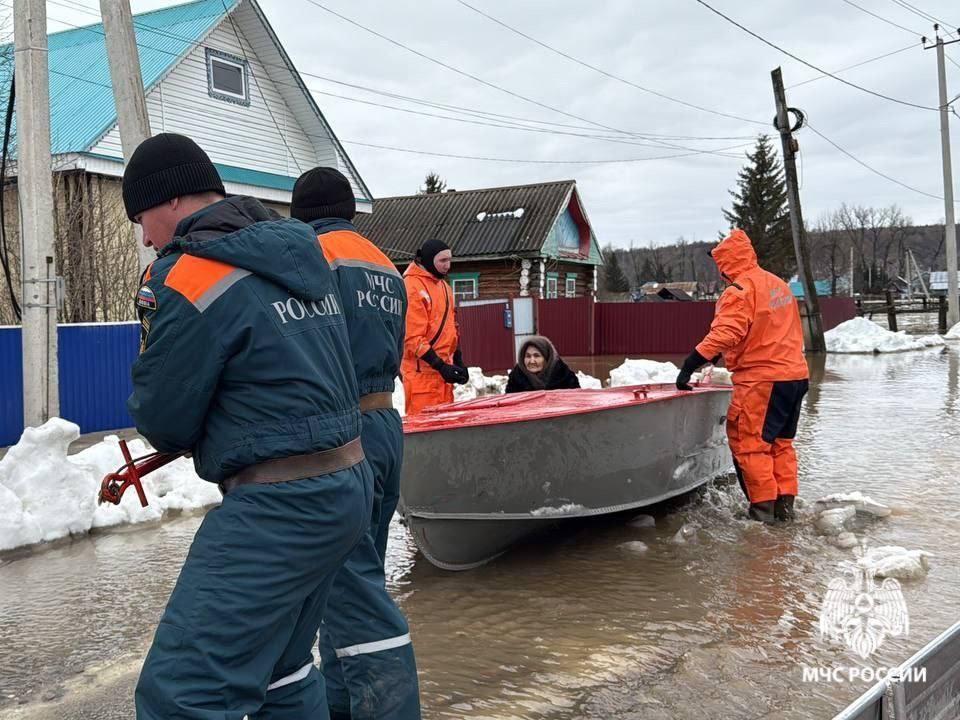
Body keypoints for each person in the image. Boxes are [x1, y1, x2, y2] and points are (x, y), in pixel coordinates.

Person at [123, 133, 372, 719]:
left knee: (180, 694)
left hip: (280, 504)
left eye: (141, 217)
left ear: (171, 202)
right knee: (283, 672)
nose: (143, 236)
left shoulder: (185, 275)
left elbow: (165, 418)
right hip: (347, 483)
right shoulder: (297, 258)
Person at [291, 166, 420, 720]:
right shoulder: (385, 265)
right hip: (386, 423)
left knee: (351, 591)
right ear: (348, 208)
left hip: (341, 433)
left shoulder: (311, 256)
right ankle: (340, 708)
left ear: (300, 213)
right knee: (350, 581)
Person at [675, 228, 809, 524]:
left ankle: (762, 517)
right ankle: (785, 510)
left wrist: (690, 364)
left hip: (762, 380)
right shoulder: (777, 285)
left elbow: (726, 333)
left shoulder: (739, 291)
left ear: (726, 262)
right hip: (795, 376)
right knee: (780, 444)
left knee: (751, 445)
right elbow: (765, 330)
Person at [402, 239, 468, 414]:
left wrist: (458, 360)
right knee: (425, 433)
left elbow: (452, 328)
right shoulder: (412, 287)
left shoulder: (445, 287)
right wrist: (440, 366)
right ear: (429, 260)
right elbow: (412, 338)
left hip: (442, 375)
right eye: (443, 261)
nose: (448, 266)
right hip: (421, 376)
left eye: (450, 260)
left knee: (445, 431)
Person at [505, 336, 581, 393]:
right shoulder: (516, 377)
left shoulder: (564, 376)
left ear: (547, 358)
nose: (531, 361)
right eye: (528, 356)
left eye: (536, 356)